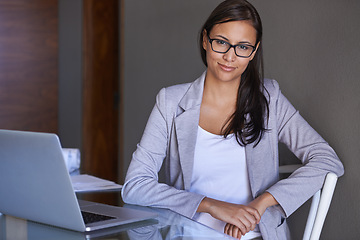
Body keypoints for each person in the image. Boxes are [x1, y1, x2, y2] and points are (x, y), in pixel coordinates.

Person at [121, 0, 344, 239]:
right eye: (221, 42)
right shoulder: (170, 102)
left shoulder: (270, 99)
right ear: (206, 40)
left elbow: (327, 160)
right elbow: (135, 186)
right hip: (188, 234)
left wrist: (261, 204)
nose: (230, 56)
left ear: (254, 51)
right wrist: (210, 204)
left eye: (243, 47)